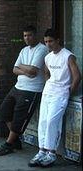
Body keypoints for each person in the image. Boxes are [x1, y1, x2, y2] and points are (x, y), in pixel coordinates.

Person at [28, 28, 81, 167]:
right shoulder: (48, 57)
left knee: (52, 121)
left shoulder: (68, 56)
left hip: (61, 94)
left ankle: (51, 153)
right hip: (48, 92)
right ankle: (41, 151)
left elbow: (77, 77)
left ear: (58, 40)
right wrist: (49, 84)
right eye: (45, 41)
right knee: (43, 121)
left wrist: (68, 91)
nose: (48, 44)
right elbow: (46, 72)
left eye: (50, 41)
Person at [0, 25, 48, 156]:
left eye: (29, 35)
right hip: (18, 87)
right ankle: (15, 140)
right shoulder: (24, 50)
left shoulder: (42, 49)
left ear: (35, 35)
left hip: (32, 90)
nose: (27, 38)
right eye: (25, 36)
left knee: (19, 117)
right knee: (4, 111)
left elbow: (33, 71)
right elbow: (14, 69)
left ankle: (8, 144)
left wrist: (22, 68)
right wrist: (26, 69)